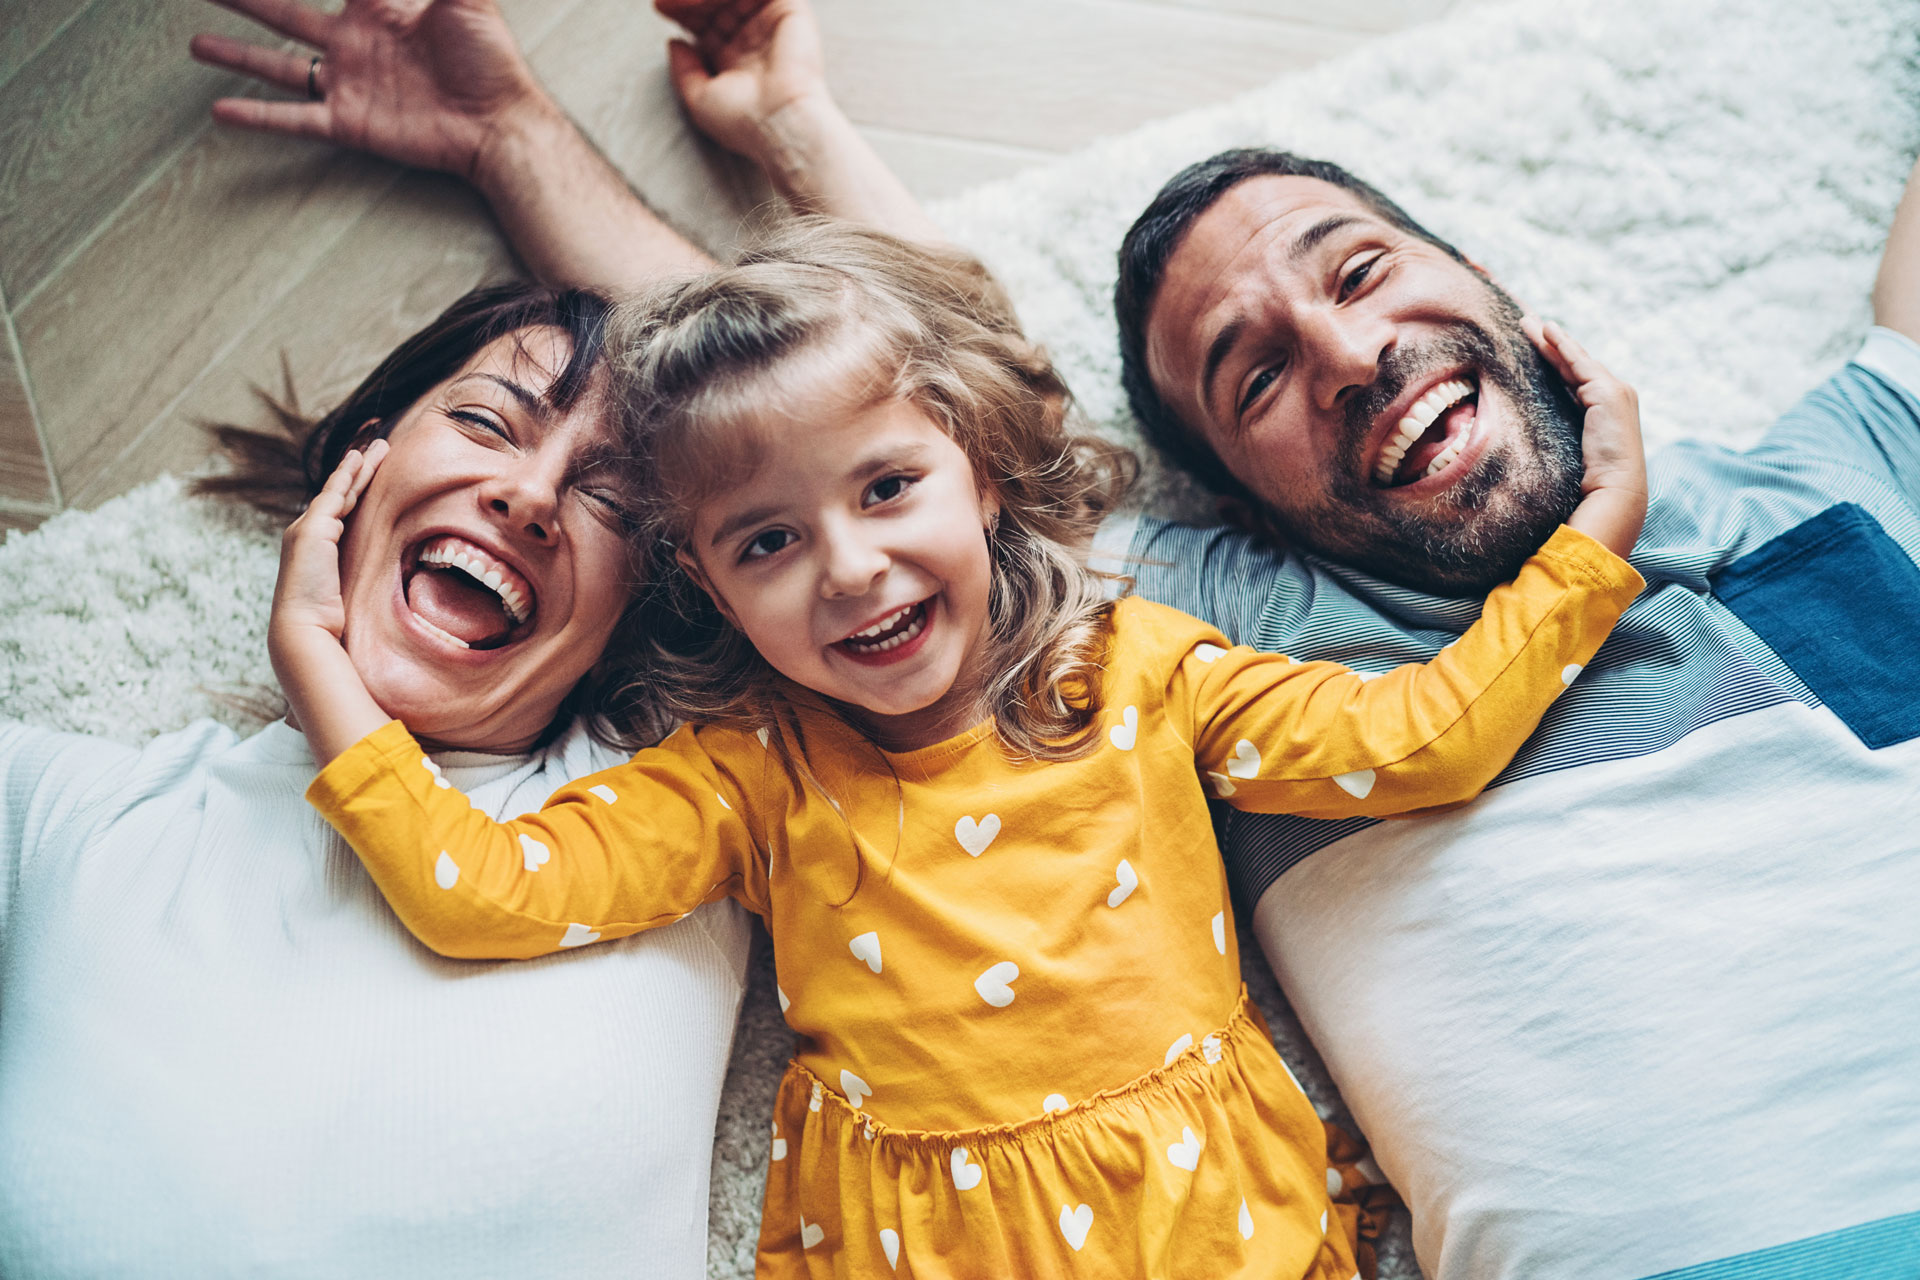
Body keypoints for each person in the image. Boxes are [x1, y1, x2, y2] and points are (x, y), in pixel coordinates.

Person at [268, 218, 1646, 1277]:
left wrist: (1590, 548)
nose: (853, 571)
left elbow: (1420, 743)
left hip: (1210, 1224)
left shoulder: (1138, 670)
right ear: (705, 581)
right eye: (768, 542)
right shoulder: (747, 774)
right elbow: (481, 892)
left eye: (887, 488)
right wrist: (321, 665)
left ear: (981, 470)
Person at [0, 284, 750, 1276]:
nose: (528, 496)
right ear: (361, 461)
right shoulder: (72, 811)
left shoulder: (677, 817)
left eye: (610, 498)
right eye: (485, 420)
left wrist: (515, 141)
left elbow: (846, 428)